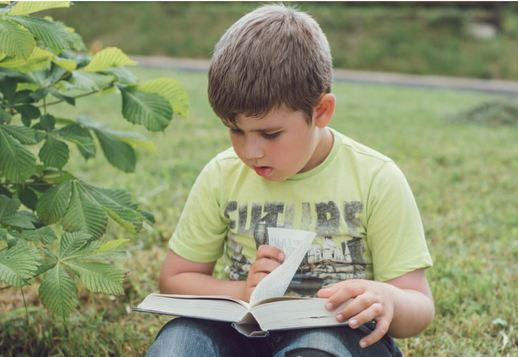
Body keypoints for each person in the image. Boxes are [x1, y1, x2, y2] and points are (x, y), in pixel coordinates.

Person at [147, 4, 434, 357]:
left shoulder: (376, 177)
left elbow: (419, 305)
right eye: (236, 130)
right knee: (179, 342)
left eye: (270, 133)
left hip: (337, 336)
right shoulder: (222, 174)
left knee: (317, 349)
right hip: (242, 332)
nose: (250, 151)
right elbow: (175, 279)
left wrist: (388, 298)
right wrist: (243, 291)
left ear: (321, 112)